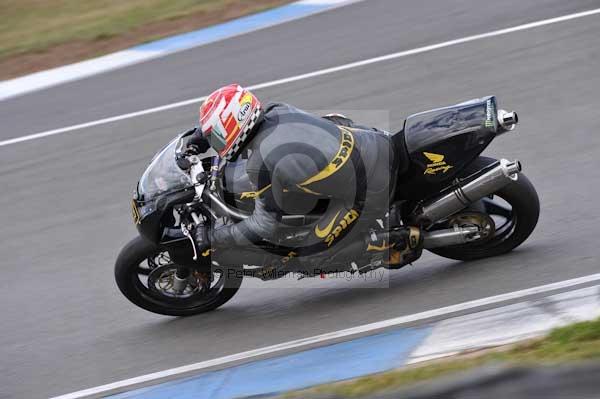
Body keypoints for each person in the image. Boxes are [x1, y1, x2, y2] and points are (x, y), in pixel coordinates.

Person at [188, 83, 423, 269]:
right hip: (373, 142)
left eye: (216, 136)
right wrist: (200, 137)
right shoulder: (276, 110)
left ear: (233, 127)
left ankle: (394, 241)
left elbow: (266, 226)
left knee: (311, 256)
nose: (216, 143)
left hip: (370, 189)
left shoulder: (261, 165)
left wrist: (215, 237)